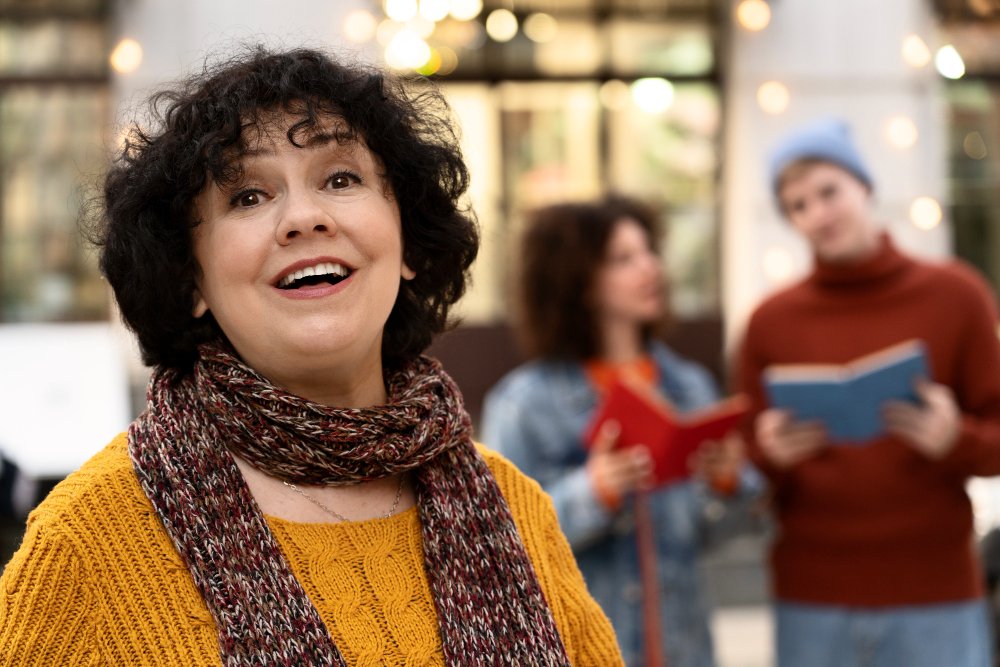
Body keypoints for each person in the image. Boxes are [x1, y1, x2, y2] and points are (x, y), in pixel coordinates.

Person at [0, 47, 624, 666]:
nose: (304, 217)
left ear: (406, 242)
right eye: (247, 196)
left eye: (341, 179)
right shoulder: (89, 543)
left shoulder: (514, 508)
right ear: (190, 280)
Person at [736, 117, 1000, 667]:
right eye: (797, 205)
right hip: (812, 597)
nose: (817, 214)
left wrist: (956, 438)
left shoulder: (957, 296)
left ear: (864, 186)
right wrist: (770, 457)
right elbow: (740, 472)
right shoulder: (768, 323)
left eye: (828, 192)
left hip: (937, 593)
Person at [480, 196, 762, 667]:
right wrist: (593, 492)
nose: (651, 268)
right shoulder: (524, 404)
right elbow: (498, 548)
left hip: (685, 649)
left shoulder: (690, 386)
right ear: (580, 281)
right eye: (623, 259)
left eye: (648, 251)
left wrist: (729, 484)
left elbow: (719, 535)